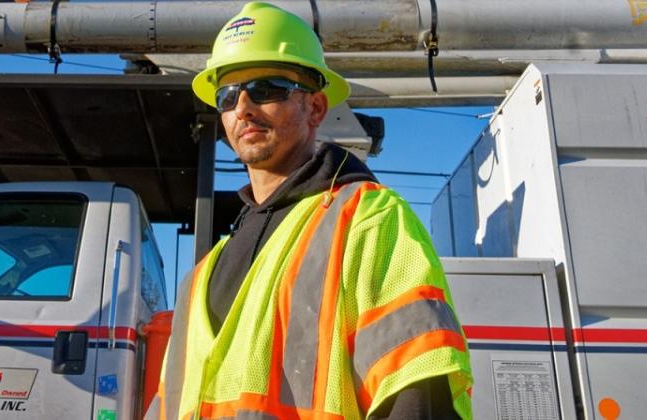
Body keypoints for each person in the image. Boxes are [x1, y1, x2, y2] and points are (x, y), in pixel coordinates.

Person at [147, 2, 473, 419]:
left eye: (266, 88)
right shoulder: (201, 276)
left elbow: (418, 395)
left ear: (316, 109)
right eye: (228, 95)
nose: (243, 106)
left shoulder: (366, 218)